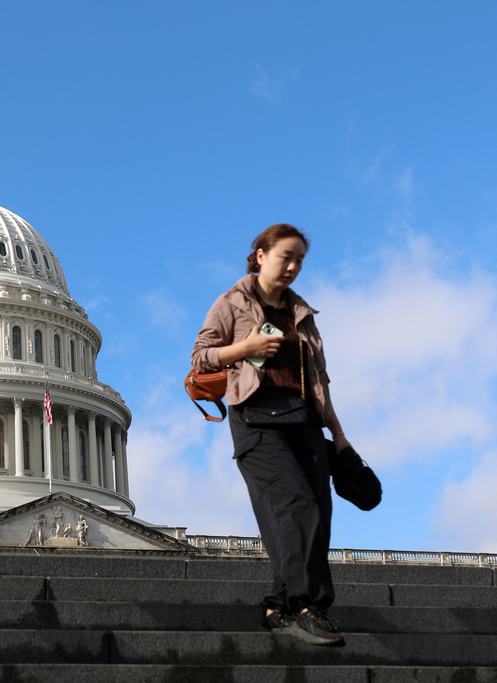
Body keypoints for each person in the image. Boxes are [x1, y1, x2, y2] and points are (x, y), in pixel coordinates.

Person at [191, 224, 352, 647]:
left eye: (300, 259)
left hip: (304, 421)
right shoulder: (232, 302)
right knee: (294, 505)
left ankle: (278, 607)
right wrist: (244, 350)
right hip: (257, 418)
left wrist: (338, 435)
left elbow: (321, 380)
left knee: (316, 511)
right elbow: (201, 357)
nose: (294, 266)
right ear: (260, 255)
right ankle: (308, 607)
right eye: (286, 256)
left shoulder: (301, 313)